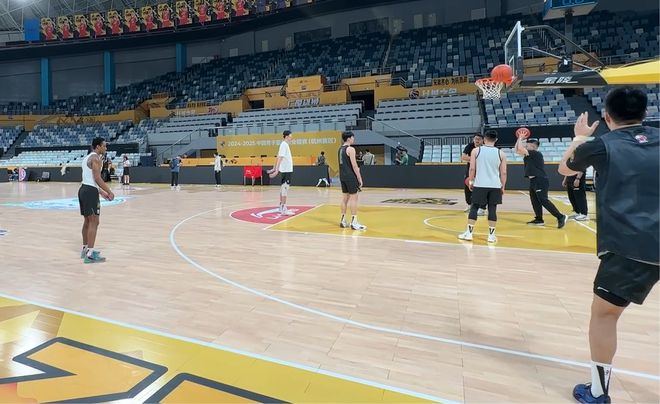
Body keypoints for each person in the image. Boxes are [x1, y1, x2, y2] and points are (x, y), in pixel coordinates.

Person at [558, 87, 658, 404]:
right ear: (645, 113)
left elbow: (565, 169)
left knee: (604, 315)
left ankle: (598, 393)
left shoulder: (602, 145)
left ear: (607, 117)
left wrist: (579, 137)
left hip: (633, 247)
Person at [458, 130, 507, 243]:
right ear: (496, 140)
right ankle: (491, 236)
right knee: (492, 209)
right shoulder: (501, 153)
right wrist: (503, 186)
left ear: (484, 139)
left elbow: (472, 168)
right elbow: (503, 173)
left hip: (480, 184)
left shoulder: (476, 151)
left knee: (474, 207)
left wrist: (471, 181)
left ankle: (469, 233)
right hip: (495, 185)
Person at [515, 137, 567, 228]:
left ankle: (560, 216)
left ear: (533, 146)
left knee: (543, 200)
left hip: (540, 179)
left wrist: (520, 138)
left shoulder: (535, 153)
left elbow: (519, 149)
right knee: (535, 201)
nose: (525, 147)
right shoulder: (529, 154)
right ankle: (539, 219)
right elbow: (517, 150)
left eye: (527, 146)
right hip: (533, 180)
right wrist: (518, 139)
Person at [79, 137, 114, 264]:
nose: (106, 148)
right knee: (94, 221)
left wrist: (101, 192)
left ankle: (85, 249)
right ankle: (90, 255)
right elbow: (97, 178)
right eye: (104, 146)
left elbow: (89, 179)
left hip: (84, 189)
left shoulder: (86, 158)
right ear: (98, 147)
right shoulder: (96, 159)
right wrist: (109, 191)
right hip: (90, 192)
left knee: (88, 221)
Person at [338, 131, 366, 230]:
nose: (354, 139)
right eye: (353, 137)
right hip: (350, 176)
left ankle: (343, 220)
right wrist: (359, 178)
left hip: (342, 176)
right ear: (349, 138)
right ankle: (354, 222)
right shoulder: (351, 149)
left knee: (344, 199)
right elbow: (354, 165)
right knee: (354, 198)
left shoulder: (340, 149)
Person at [267, 130, 294, 215]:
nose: (291, 138)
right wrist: (276, 170)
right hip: (286, 170)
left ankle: (281, 206)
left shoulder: (284, 145)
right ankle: (284, 209)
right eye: (291, 136)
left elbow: (278, 157)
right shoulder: (284, 145)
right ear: (287, 136)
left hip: (286, 170)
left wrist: (274, 168)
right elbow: (280, 158)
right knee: (285, 188)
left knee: (283, 188)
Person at [461, 133, 486, 215]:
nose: (477, 140)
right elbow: (463, 157)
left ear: (482, 140)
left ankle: (482, 208)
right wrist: (476, 159)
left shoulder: (485, 148)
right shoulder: (470, 146)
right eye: (475, 139)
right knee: (467, 188)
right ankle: (469, 205)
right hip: (470, 170)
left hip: (481, 171)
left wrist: (471, 159)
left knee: (482, 189)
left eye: (479, 139)